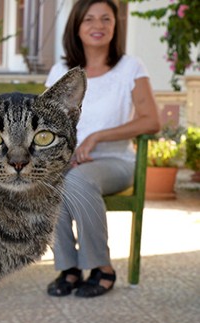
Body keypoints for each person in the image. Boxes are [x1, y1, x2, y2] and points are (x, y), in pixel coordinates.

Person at [45, 0, 160, 298]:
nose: (98, 26)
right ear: (77, 27)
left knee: (78, 181)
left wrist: (97, 136)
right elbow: (46, 120)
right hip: (69, 162)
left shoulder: (130, 67)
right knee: (50, 180)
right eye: (89, 20)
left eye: (105, 19)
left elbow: (151, 120)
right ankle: (68, 268)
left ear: (115, 25)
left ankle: (101, 267)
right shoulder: (61, 69)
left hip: (115, 161)